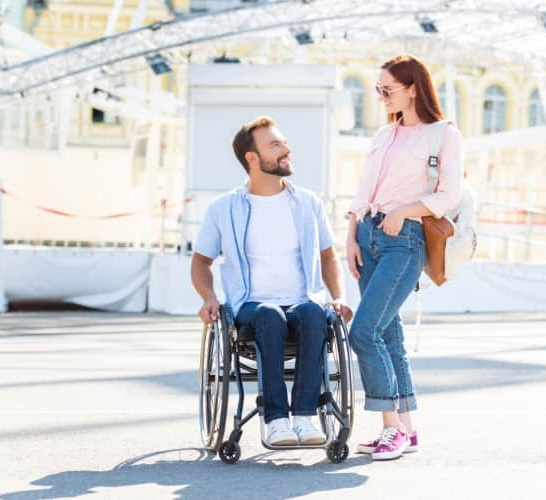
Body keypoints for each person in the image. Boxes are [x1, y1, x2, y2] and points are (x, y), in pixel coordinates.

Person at [190, 116, 352, 446]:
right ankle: (276, 419)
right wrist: (208, 297)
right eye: (276, 145)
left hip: (303, 301)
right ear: (252, 158)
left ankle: (306, 417)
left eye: (284, 142)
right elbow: (201, 262)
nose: (287, 149)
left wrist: (337, 296)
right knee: (268, 314)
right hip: (252, 308)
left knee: (311, 313)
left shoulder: (308, 203)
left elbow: (328, 256)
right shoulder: (224, 208)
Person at [346, 55, 463, 460]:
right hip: (369, 235)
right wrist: (351, 237)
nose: (380, 96)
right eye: (377, 89)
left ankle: (389, 426)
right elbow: (363, 192)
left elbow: (449, 195)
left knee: (363, 331)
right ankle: (407, 429)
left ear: (412, 87)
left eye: (387, 89)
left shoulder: (443, 134)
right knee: (389, 334)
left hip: (405, 240)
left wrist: (404, 211)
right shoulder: (383, 135)